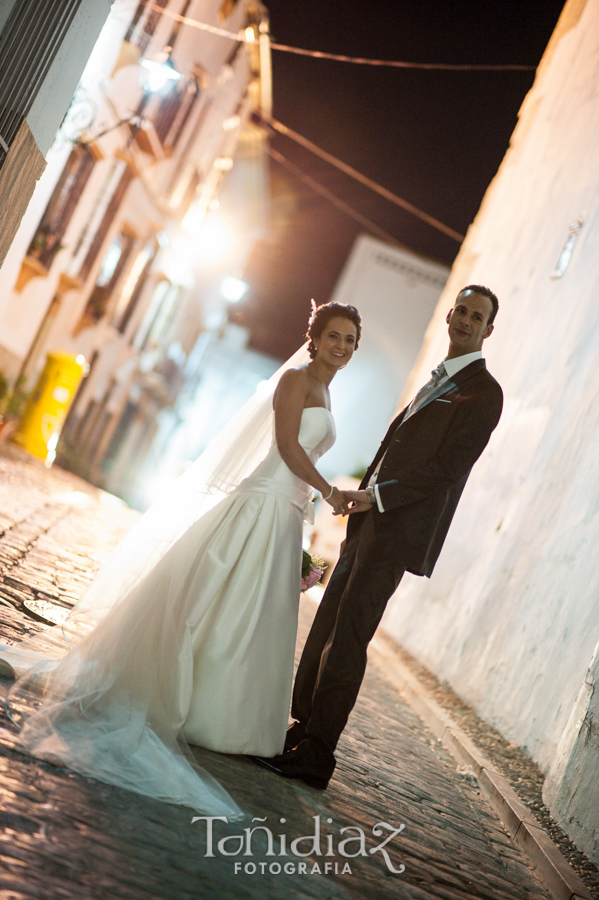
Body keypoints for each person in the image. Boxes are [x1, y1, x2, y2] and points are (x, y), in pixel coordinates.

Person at [0, 301, 361, 814]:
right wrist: (328, 491)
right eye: (335, 336)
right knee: (215, 600)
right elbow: (284, 446)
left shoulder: (327, 389)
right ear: (316, 337)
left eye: (350, 340)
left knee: (258, 616)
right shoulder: (296, 381)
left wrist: (308, 505)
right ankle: (188, 705)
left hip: (285, 516)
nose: (341, 347)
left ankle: (237, 719)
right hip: (261, 503)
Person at [255, 285, 503, 789]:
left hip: (398, 532)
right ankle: (300, 732)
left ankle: (318, 755)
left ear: (487, 330)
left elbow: (446, 470)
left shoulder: (484, 393)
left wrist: (378, 496)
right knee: (327, 627)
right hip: (368, 523)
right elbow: (399, 446)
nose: (465, 321)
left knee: (349, 640)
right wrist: (362, 499)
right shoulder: (438, 378)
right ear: (451, 314)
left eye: (477, 317)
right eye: (461, 311)